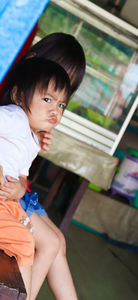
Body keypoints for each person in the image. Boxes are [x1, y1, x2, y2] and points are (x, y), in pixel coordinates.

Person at [0, 32, 86, 299]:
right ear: (32, 63)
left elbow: (23, 172)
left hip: (15, 193)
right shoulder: (13, 114)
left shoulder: (27, 122)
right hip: (8, 194)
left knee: (56, 241)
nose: (55, 110)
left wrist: (37, 134)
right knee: (49, 243)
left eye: (63, 100)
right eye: (49, 97)